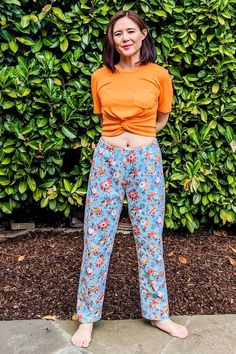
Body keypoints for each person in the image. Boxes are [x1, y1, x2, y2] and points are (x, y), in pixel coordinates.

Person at [71, 10, 188, 348]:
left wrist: (141, 139)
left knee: (150, 238)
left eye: (130, 31)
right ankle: (87, 317)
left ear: (142, 34)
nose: (124, 37)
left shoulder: (159, 75)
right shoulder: (100, 76)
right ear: (112, 40)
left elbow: (162, 115)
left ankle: (158, 313)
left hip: (146, 161)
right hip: (107, 159)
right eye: (117, 33)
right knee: (97, 237)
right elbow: (103, 117)